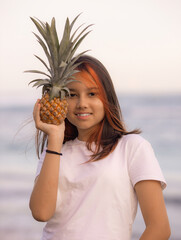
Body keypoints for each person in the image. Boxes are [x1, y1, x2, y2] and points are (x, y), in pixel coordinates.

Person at [30, 55, 171, 240]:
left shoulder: (133, 148)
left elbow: (159, 228)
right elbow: (41, 213)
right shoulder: (53, 152)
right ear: (61, 100)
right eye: (72, 95)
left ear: (107, 98)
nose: (82, 104)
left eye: (92, 94)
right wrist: (55, 139)